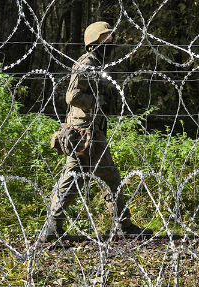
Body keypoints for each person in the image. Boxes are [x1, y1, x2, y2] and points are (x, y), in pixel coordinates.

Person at [41, 21, 153, 242]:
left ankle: (53, 226)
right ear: (93, 41)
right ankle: (123, 226)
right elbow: (71, 96)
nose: (110, 40)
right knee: (106, 176)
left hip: (90, 130)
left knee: (77, 178)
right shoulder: (87, 63)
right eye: (105, 37)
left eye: (111, 37)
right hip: (85, 132)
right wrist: (97, 101)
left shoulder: (98, 63)